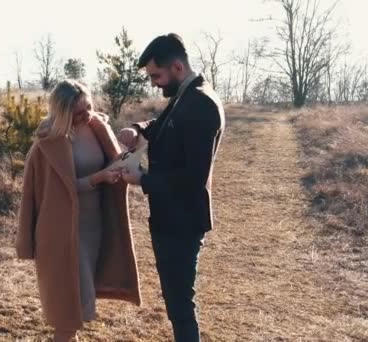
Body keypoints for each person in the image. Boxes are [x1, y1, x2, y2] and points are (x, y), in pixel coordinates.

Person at [16, 79, 141, 341]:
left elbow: (111, 160)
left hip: (95, 226)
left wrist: (126, 158)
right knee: (66, 313)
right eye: (79, 112)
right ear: (62, 113)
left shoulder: (97, 128)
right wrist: (99, 177)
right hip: (63, 232)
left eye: (89, 107)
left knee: (78, 303)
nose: (87, 115)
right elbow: (59, 191)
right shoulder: (48, 144)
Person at [119, 33, 225, 342]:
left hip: (182, 222)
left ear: (177, 67)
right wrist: (137, 128)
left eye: (156, 75)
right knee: (176, 305)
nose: (154, 83)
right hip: (170, 219)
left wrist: (142, 179)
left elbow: (194, 177)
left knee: (181, 308)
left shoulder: (202, 104)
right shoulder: (185, 95)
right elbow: (163, 124)